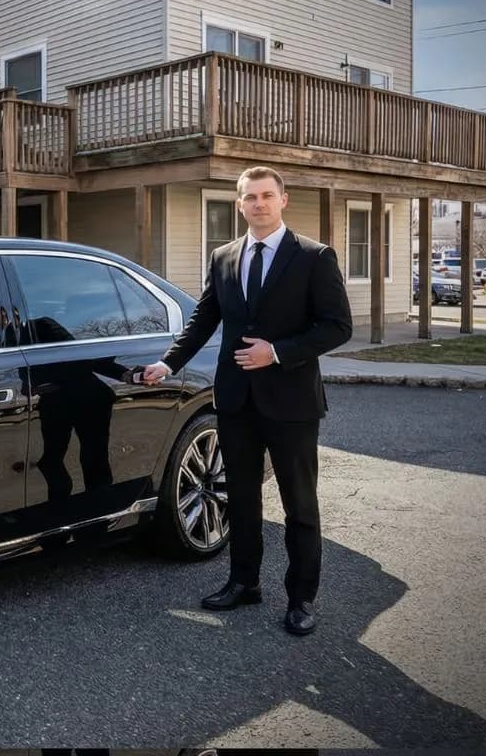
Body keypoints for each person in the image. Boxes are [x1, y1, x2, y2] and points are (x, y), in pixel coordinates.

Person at [140, 166, 353, 636]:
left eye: (265, 196)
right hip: (236, 400)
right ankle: (244, 583)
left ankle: (301, 599)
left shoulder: (314, 257)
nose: (257, 204)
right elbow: (203, 319)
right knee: (240, 497)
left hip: (292, 402)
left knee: (300, 504)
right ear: (239, 205)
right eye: (249, 197)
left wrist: (275, 353)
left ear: (283, 200)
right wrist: (168, 364)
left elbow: (338, 326)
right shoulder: (224, 256)